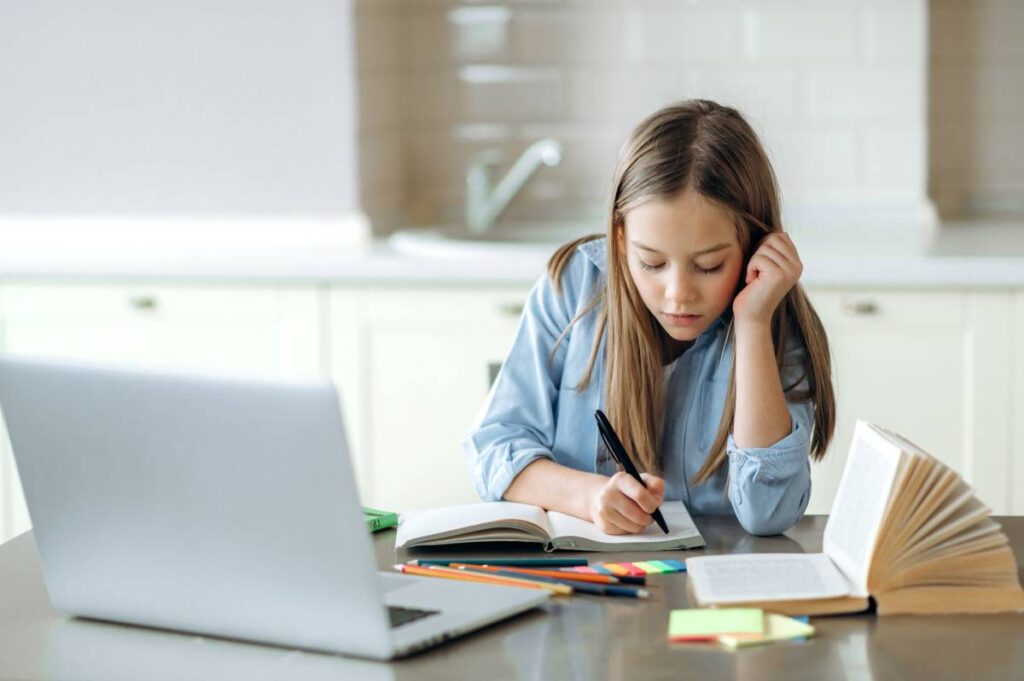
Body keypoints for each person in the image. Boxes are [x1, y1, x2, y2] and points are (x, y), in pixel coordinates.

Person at [463, 99, 836, 537]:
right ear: (621, 240)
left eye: (710, 265)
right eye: (652, 263)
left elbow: (768, 512)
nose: (678, 294)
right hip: (592, 583)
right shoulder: (575, 286)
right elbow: (494, 448)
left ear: (753, 246)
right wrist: (587, 496)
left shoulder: (772, 319)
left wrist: (753, 326)